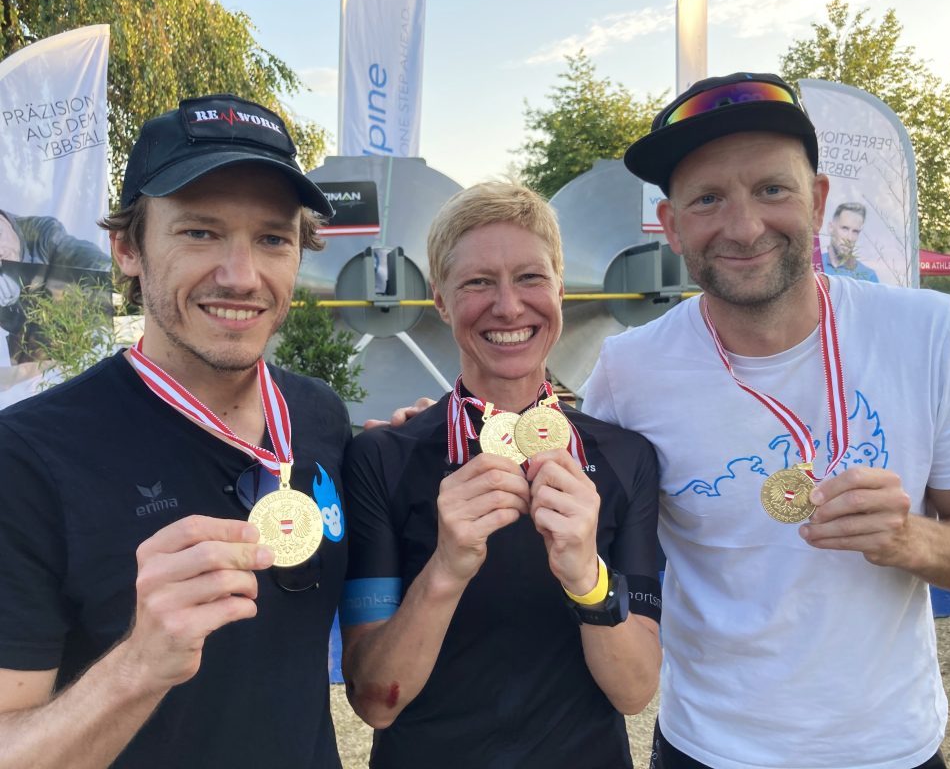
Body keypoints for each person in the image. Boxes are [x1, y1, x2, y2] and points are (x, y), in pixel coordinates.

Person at [584, 72, 950, 769]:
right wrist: (433, 434)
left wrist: (912, 539)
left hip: (892, 750)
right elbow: (572, 522)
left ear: (819, 200)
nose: (744, 227)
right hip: (708, 748)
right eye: (708, 198)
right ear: (673, 225)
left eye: (772, 189)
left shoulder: (928, 332)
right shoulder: (629, 369)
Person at [0, 94, 353, 768]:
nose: (241, 277)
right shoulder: (26, 457)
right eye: (199, 232)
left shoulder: (319, 417)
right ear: (127, 248)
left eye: (272, 239)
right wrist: (138, 664)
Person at [341, 182, 662, 768]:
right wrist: (445, 569)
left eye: (531, 277)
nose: (509, 307)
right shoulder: (382, 457)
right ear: (441, 301)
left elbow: (635, 692)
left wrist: (587, 577)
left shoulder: (625, 457)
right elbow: (374, 701)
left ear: (560, 291)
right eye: (478, 283)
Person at [0, 209, 112, 363]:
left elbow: (81, 255)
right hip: (37, 364)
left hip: (81, 347)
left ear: (3, 219)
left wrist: (111, 274)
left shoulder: (43, 234)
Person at [821, 201, 879, 282]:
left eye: (855, 231)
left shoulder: (868, 277)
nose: (849, 238)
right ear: (830, 228)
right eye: (845, 228)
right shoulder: (812, 267)